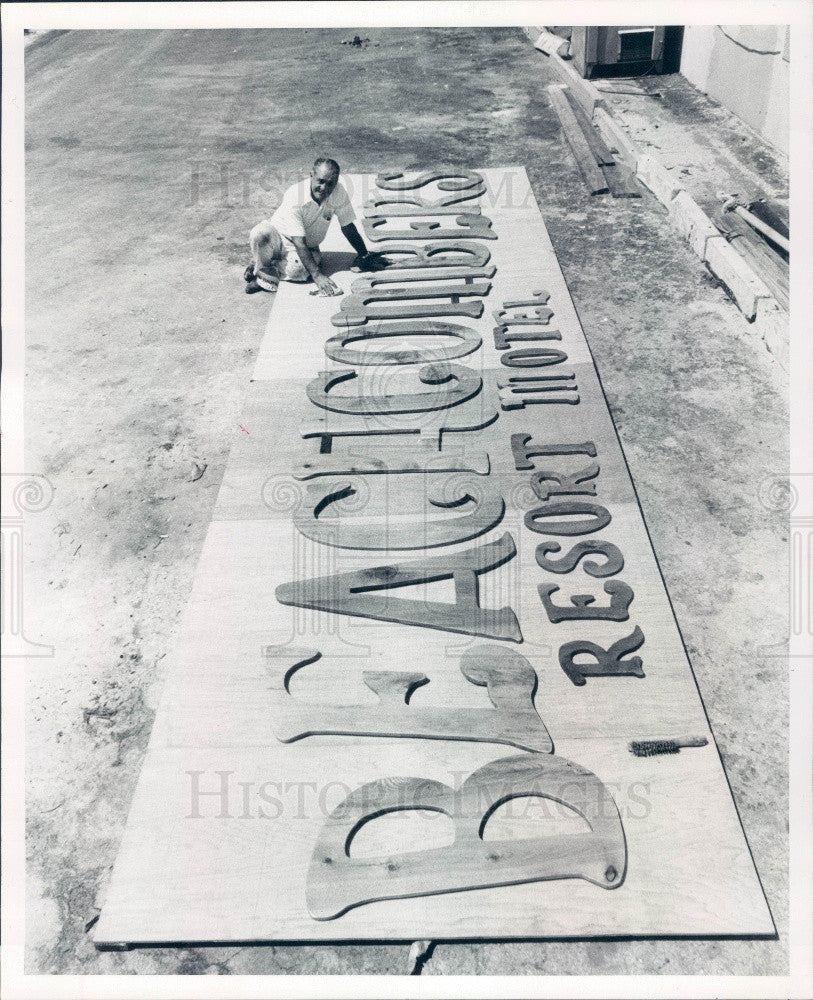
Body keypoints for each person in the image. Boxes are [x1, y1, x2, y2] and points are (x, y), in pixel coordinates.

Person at [245, 157, 387, 295]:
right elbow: (298, 241)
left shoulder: (339, 193)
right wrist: (317, 275)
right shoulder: (295, 196)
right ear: (311, 175)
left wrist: (364, 255)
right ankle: (261, 272)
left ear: (336, 182)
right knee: (259, 234)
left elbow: (348, 226)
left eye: (330, 183)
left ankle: (263, 268)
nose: (324, 188)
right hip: (278, 237)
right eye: (320, 181)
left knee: (298, 271)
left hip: (307, 246)